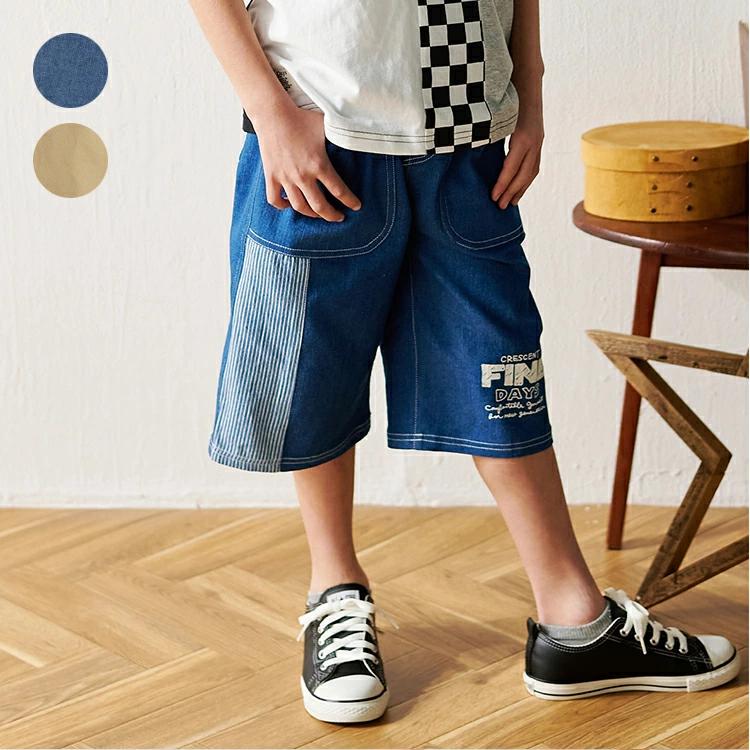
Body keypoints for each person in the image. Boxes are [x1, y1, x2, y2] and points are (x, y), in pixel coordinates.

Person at [188, 0, 741, 724]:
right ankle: (335, 592)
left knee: (502, 374)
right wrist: (270, 114)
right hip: (321, 127)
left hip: (468, 134)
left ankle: (574, 620)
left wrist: (530, 94)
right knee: (311, 369)